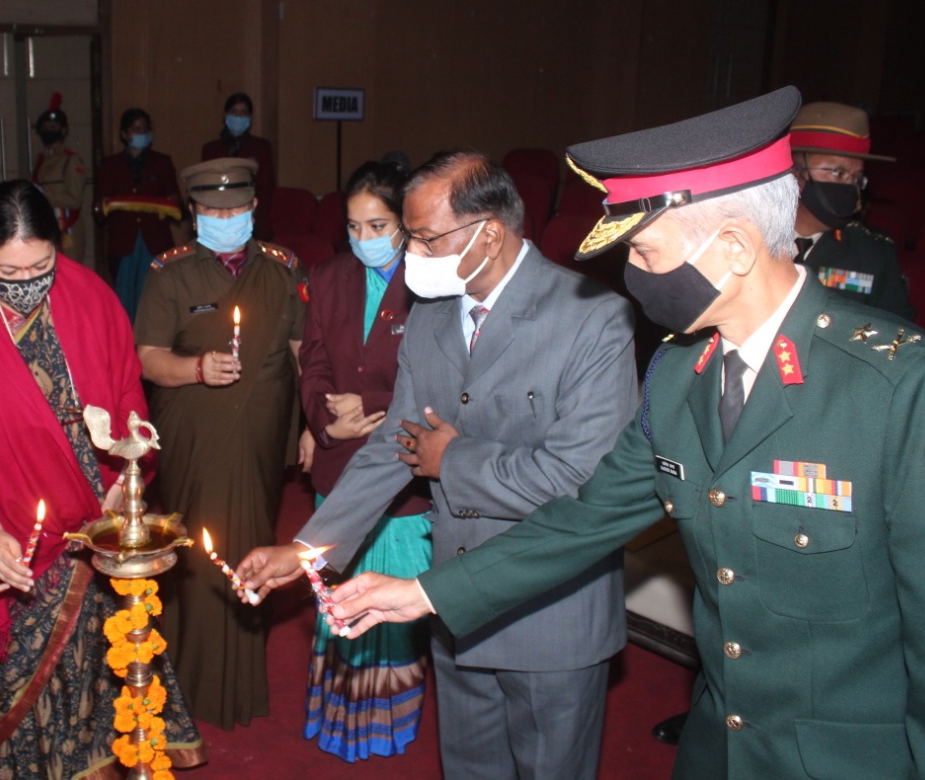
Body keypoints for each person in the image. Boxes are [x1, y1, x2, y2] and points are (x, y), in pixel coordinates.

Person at [326, 87, 925, 779]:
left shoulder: (902, 389)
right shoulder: (681, 374)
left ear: (736, 248)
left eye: (648, 253)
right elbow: (581, 521)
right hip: (718, 746)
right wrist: (423, 593)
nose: (633, 277)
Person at [239, 150, 639, 778]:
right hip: (452, 604)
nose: (411, 258)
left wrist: (453, 460)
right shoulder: (431, 314)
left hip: (550, 615)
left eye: (423, 240)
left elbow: (583, 482)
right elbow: (392, 447)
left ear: (488, 235)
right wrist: (308, 548)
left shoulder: (590, 318)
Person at [0, 180, 204, 777]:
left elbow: (128, 405)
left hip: (92, 511)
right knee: (20, 679)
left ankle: (106, 761)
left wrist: (123, 486)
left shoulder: (90, 297)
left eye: (42, 264)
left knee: (102, 651)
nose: (27, 281)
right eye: (8, 270)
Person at [134, 157, 306, 730]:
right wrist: (197, 369)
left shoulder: (283, 269)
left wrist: (310, 427)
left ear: (255, 206)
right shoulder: (170, 273)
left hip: (260, 438)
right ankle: (190, 688)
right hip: (194, 435)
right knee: (198, 557)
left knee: (254, 549)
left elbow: (305, 355)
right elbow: (148, 359)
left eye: (235, 208)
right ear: (194, 212)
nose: (225, 217)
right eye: (212, 209)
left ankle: (244, 687)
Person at [298, 159, 430, 762]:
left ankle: (388, 723)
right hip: (339, 462)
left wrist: (370, 404)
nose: (364, 238)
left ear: (405, 223)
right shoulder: (327, 278)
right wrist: (326, 421)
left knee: (393, 601)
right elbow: (314, 363)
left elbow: (446, 379)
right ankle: (338, 716)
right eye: (354, 226)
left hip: (405, 465)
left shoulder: (435, 282)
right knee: (338, 597)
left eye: (377, 224)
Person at [788, 101, 914, 318]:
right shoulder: (747, 238)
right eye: (837, 172)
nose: (849, 187)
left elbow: (898, 336)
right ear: (795, 173)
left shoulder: (872, 254)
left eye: (855, 178)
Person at [94, 107, 182, 320]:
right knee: (124, 304)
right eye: (136, 129)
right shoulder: (110, 165)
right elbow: (97, 209)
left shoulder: (162, 162)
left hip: (155, 242)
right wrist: (103, 205)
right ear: (124, 134)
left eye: (145, 129)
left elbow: (177, 201)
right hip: (124, 243)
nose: (141, 133)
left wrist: (172, 203)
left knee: (154, 299)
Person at [201, 92, 275, 240]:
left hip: (252, 220)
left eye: (244, 113)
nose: (239, 117)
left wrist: (248, 213)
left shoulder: (261, 147)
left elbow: (266, 188)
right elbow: (207, 188)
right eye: (234, 112)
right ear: (226, 115)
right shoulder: (211, 149)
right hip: (218, 220)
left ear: (250, 118)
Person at [31, 93, 89, 265]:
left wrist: (44, 195)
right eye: (46, 127)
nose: (49, 131)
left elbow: (75, 199)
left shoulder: (71, 161)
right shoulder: (41, 160)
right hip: (47, 227)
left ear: (63, 130)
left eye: (53, 127)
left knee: (68, 272)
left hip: (67, 228)